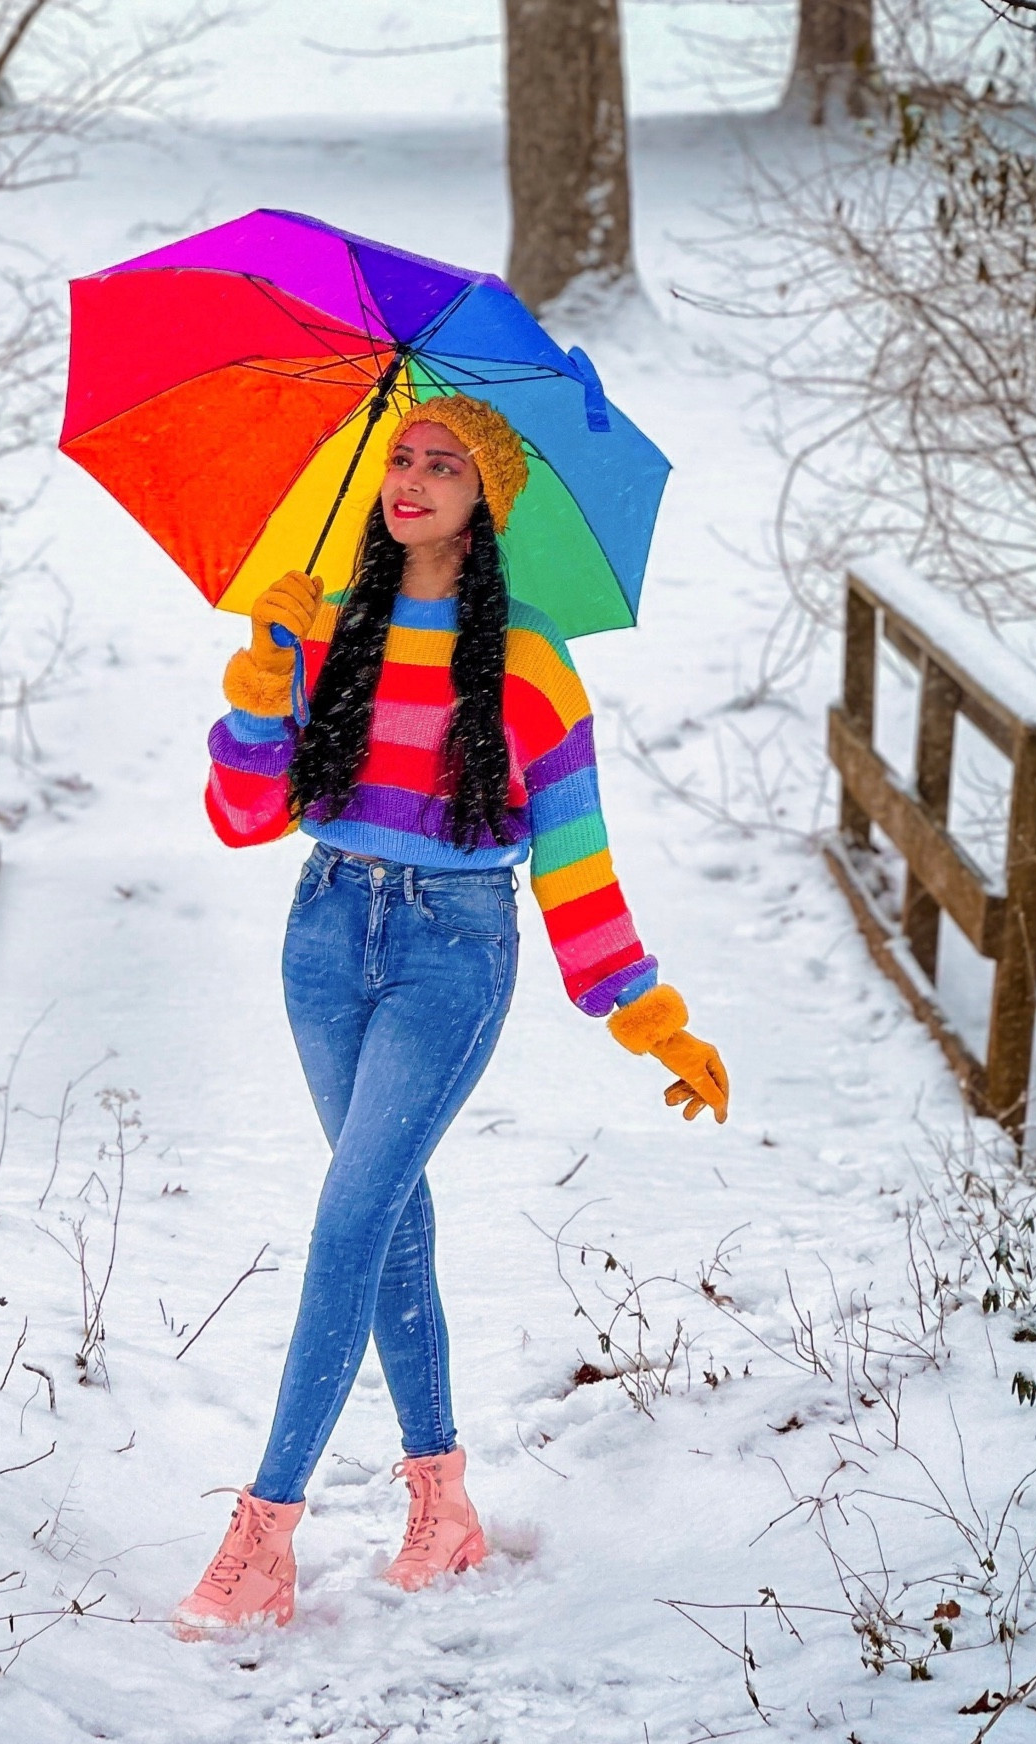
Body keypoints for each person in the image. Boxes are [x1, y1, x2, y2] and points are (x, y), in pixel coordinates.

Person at [172, 395, 728, 1639]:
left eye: (443, 466)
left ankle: (264, 1533)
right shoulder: (333, 631)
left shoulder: (530, 663)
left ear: (490, 498)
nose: (410, 481)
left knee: (349, 1217)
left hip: (451, 953)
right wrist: (264, 690)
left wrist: (647, 1014)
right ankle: (442, 1506)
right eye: (400, 459)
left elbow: (575, 857)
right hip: (322, 936)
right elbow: (243, 816)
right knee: (389, 1220)